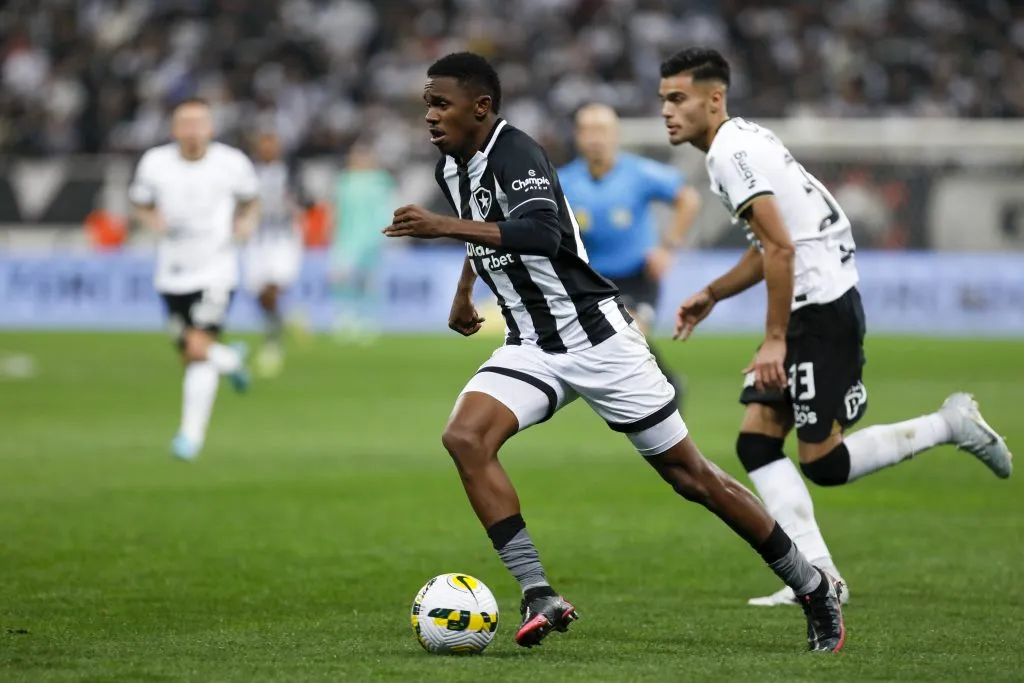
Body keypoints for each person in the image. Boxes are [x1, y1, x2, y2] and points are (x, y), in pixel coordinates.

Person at [383, 52, 845, 653]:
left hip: (598, 339)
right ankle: (538, 592)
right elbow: (486, 228)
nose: (429, 115)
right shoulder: (454, 167)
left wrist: (442, 228)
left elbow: (542, 233)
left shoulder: (515, 151)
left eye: (440, 103)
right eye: (427, 103)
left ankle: (812, 589)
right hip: (531, 344)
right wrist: (465, 292)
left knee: (693, 478)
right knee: (466, 438)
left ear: (482, 107)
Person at [660, 48, 1013, 606]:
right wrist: (712, 292)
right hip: (814, 299)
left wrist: (776, 338)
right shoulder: (744, 140)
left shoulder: (731, 154)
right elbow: (776, 242)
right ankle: (819, 578)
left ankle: (950, 424)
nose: (667, 111)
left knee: (825, 463)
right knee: (756, 443)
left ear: (714, 98)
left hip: (818, 310)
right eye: (664, 100)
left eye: (678, 99)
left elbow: (780, 248)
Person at [130, 98, 261, 461]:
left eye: (198, 122)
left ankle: (190, 438)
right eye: (184, 122)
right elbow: (140, 201)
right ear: (174, 129)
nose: (191, 129)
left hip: (216, 269)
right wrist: (150, 219)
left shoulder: (231, 163)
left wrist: (246, 223)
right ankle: (230, 362)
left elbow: (251, 200)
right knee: (191, 354)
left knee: (197, 349)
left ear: (210, 127)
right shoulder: (155, 163)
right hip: (171, 273)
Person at [558, 103, 701, 408]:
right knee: (605, 347)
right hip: (590, 280)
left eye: (603, 131)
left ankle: (665, 394)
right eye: (589, 131)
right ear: (578, 136)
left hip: (637, 275)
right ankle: (662, 388)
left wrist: (667, 248)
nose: (596, 138)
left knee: (629, 332)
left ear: (616, 135)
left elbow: (688, 199)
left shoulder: (639, 172)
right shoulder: (564, 181)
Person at [242, 130, 307, 377]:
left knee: (271, 289)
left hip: (284, 240)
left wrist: (293, 202)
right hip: (256, 240)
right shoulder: (248, 173)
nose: (268, 149)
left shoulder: (290, 172)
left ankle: (273, 343)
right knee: (260, 295)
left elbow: (306, 200)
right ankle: (288, 316)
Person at [330, 142, 394, 342]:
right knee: (343, 280)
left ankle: (368, 320)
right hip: (346, 239)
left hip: (371, 240)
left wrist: (385, 233)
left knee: (368, 282)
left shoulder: (380, 180)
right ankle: (346, 317)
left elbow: (387, 208)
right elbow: (337, 211)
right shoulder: (344, 181)